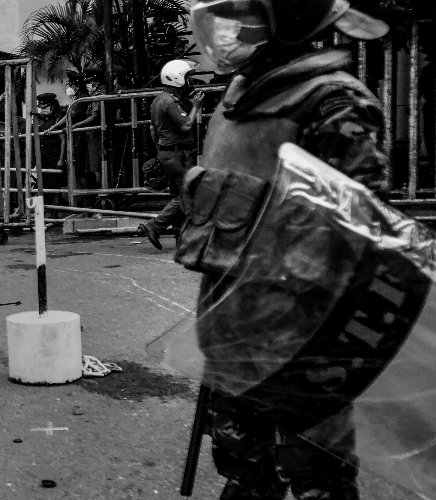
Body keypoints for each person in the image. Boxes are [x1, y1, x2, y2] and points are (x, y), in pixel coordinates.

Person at [184, 0, 391, 498]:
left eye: (243, 18)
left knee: (315, 472)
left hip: (301, 333)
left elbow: (357, 229)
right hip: (232, 321)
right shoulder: (238, 96)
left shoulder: (332, 102)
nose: (227, 32)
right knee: (243, 466)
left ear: (290, 21)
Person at [138, 60, 205, 250]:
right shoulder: (169, 101)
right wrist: (196, 106)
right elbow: (186, 125)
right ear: (176, 79)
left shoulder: (159, 99)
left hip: (169, 153)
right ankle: (154, 226)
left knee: (178, 194)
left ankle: (180, 237)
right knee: (186, 194)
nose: (190, 82)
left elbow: (153, 130)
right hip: (177, 155)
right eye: (187, 78)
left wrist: (161, 151)